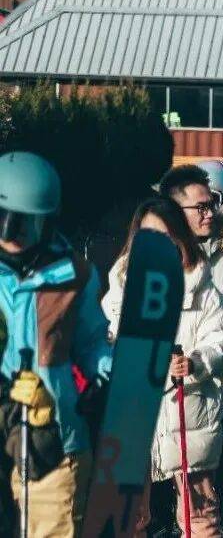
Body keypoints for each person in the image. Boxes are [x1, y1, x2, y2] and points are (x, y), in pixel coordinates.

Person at [103, 197, 223, 538]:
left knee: (200, 518)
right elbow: (106, 337)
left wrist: (194, 362)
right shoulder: (121, 283)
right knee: (129, 518)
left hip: (188, 412)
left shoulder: (201, 285)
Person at [0, 152, 112, 537]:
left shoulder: (75, 275)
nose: (9, 233)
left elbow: (92, 342)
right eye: (2, 218)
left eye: (23, 223)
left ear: (46, 222)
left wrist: (102, 379)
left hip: (53, 444)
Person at [158, 166, 223, 523]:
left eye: (212, 204)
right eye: (201, 206)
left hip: (219, 386)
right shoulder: (153, 257)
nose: (210, 213)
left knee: (209, 491)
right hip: (164, 394)